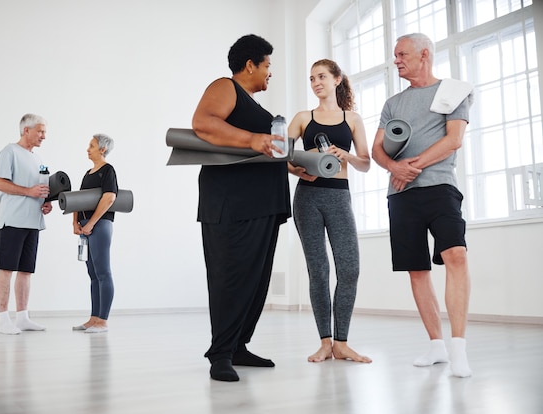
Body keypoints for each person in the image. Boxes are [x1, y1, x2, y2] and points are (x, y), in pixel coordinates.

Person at [371, 33, 473, 377]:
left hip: (440, 187)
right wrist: (394, 167)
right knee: (417, 269)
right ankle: (437, 347)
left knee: (456, 255)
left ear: (423, 55)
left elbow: (453, 140)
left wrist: (410, 166)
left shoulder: (452, 92)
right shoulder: (393, 103)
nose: (396, 60)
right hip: (400, 194)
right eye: (395, 55)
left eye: (401, 54)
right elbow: (377, 150)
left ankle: (459, 349)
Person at [191, 34, 291, 382]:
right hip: (232, 205)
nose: (270, 73)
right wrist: (252, 139)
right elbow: (203, 123)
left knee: (254, 281)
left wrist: (292, 163)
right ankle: (220, 354)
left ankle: (238, 345)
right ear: (250, 65)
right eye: (267, 66)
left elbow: (263, 149)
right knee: (231, 279)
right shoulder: (225, 87)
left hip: (261, 205)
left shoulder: (252, 104)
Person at [287, 59, 372, 364]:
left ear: (337, 79)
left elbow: (365, 162)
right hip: (308, 198)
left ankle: (343, 343)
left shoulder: (353, 119)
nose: (316, 82)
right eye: (311, 78)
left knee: (349, 269)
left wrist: (344, 154)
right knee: (318, 271)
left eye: (321, 76)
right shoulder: (301, 118)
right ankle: (325, 342)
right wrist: (301, 170)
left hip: (339, 197)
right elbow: (280, 156)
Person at [0, 113, 53, 335]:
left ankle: (23, 317)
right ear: (26, 130)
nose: (44, 136)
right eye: (40, 131)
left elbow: (39, 189)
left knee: (26, 271)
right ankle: (3, 319)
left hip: (33, 221)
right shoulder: (10, 151)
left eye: (44, 131)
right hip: (13, 220)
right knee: (6, 269)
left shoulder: (37, 158)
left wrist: (45, 203)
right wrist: (28, 192)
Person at [71, 134, 118, 334]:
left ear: (102, 150)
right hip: (85, 226)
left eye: (91, 146)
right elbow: (79, 199)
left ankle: (103, 321)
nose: (87, 149)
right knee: (92, 274)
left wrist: (90, 223)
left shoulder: (108, 171)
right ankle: (93, 318)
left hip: (100, 225)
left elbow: (109, 197)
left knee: (103, 272)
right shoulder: (88, 173)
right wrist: (75, 222)